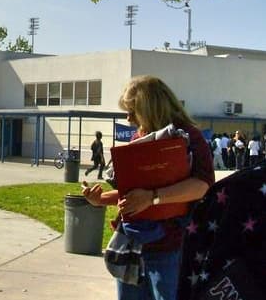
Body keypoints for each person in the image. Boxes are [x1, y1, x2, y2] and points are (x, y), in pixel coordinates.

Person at [82, 75, 215, 300]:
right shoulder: (139, 136)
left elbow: (202, 186)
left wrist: (153, 197)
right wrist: (100, 199)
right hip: (133, 245)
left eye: (133, 111)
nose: (129, 118)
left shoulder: (189, 137)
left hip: (171, 245)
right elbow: (133, 195)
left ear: (150, 107)